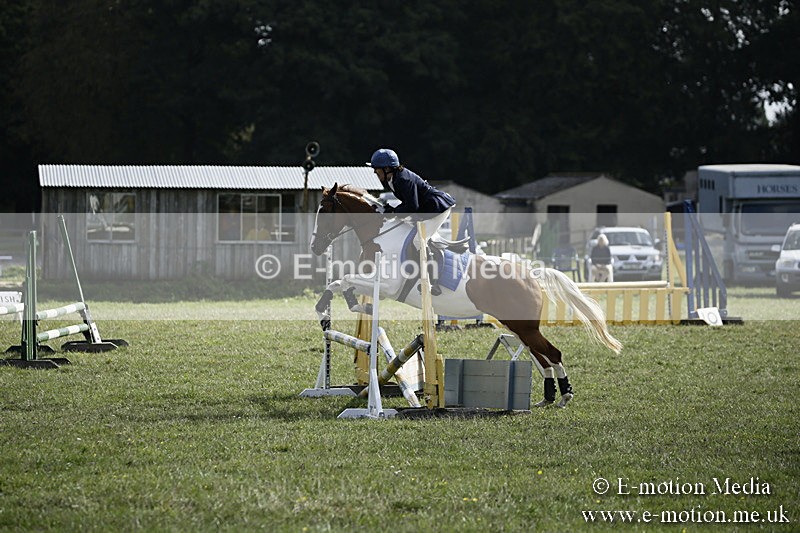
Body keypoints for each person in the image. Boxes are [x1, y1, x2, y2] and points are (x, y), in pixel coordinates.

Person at [368, 148, 456, 294]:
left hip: (437, 208)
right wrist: (393, 211)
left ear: (387, 168)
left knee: (417, 241)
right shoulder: (393, 179)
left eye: (377, 170)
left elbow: (412, 206)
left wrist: (394, 212)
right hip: (425, 209)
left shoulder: (403, 179)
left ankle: (433, 281)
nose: (375, 173)